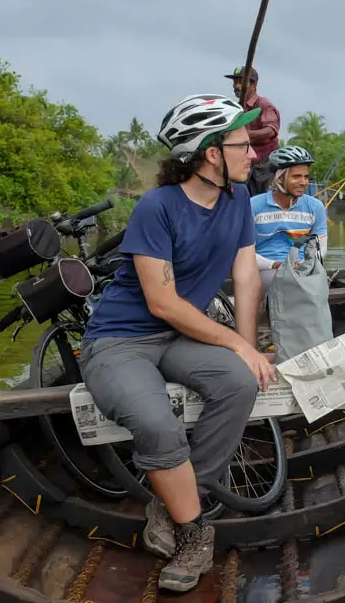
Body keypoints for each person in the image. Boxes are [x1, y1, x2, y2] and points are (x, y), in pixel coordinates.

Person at [78, 93, 278, 593]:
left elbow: (246, 279)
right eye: (243, 144)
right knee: (154, 423)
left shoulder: (236, 204)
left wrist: (247, 349)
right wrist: (235, 343)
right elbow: (162, 302)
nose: (254, 153)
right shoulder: (157, 207)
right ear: (212, 153)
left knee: (237, 383)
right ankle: (195, 531)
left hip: (178, 337)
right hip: (121, 341)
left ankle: (169, 499)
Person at [251, 145, 328, 299]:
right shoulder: (253, 206)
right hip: (266, 270)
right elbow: (245, 254)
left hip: (303, 268)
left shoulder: (315, 207)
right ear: (279, 178)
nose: (303, 182)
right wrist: (274, 265)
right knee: (280, 283)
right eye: (296, 177)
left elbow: (321, 248)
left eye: (306, 177)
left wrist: (306, 264)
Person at [223, 67, 280, 195]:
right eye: (235, 82)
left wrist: (244, 136)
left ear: (253, 85)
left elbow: (271, 131)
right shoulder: (237, 108)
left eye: (241, 82)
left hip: (264, 166)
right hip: (245, 165)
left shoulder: (263, 105)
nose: (237, 86)